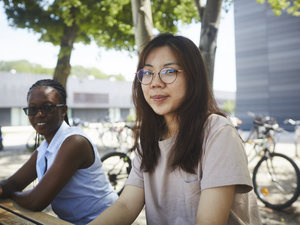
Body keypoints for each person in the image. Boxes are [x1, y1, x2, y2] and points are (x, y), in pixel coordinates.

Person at [88, 33, 262, 225]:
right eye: (147, 73)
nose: (155, 82)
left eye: (169, 71)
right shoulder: (150, 139)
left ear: (192, 77)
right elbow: (126, 206)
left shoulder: (218, 132)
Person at [0, 79, 118, 225]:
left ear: (63, 110)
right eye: (32, 109)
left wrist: (10, 193)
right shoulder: (45, 147)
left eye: (47, 107)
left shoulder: (74, 142)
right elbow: (13, 182)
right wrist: (4, 188)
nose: (39, 114)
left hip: (106, 219)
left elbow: (36, 200)